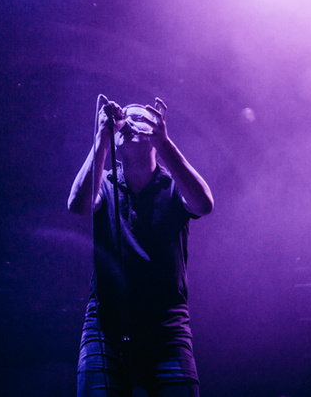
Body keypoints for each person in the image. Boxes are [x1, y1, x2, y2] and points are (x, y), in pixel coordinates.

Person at [68, 95, 213, 397]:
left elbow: (203, 204)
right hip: (106, 326)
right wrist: (102, 138)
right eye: (124, 120)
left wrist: (165, 144)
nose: (129, 124)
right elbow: (77, 205)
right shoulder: (105, 182)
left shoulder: (173, 185)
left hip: (166, 328)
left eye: (139, 118)